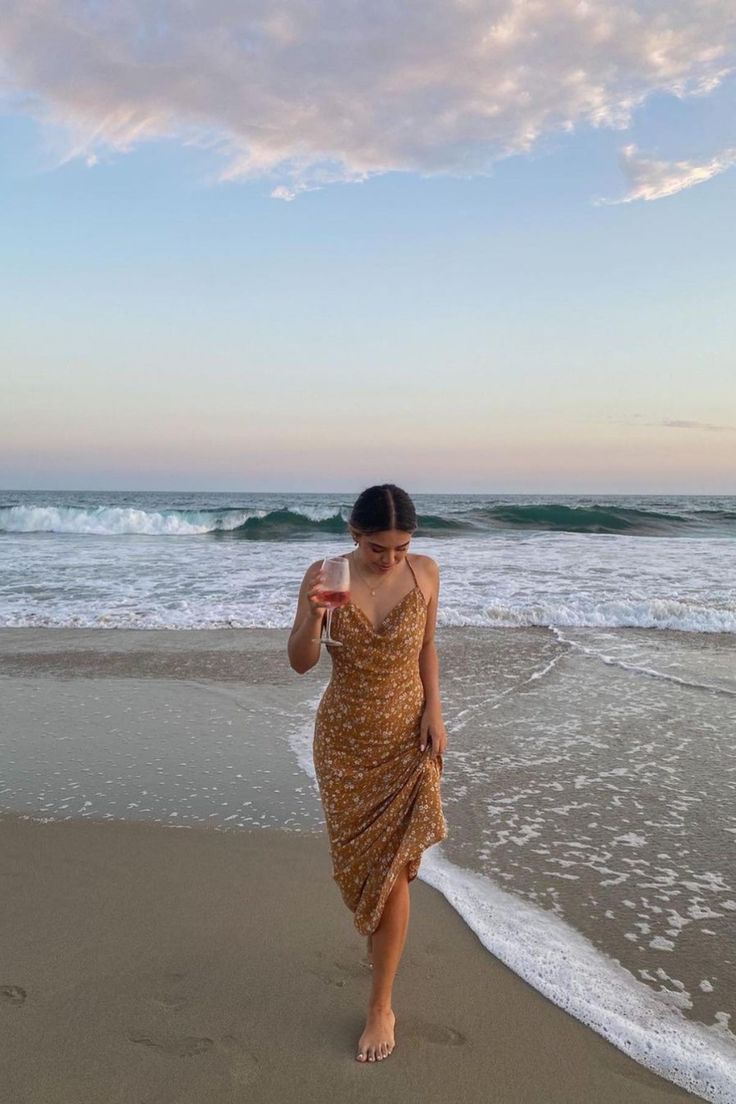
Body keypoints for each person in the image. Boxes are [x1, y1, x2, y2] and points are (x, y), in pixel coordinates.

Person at [288, 483, 448, 1064]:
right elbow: (302, 662)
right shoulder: (326, 574)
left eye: (402, 547)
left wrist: (435, 710)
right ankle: (379, 944)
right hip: (344, 745)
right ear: (355, 536)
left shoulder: (426, 573)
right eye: (380, 548)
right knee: (361, 869)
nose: (392, 559)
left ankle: (381, 1004)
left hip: (408, 738)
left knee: (394, 872)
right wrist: (311, 614)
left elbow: (427, 646)